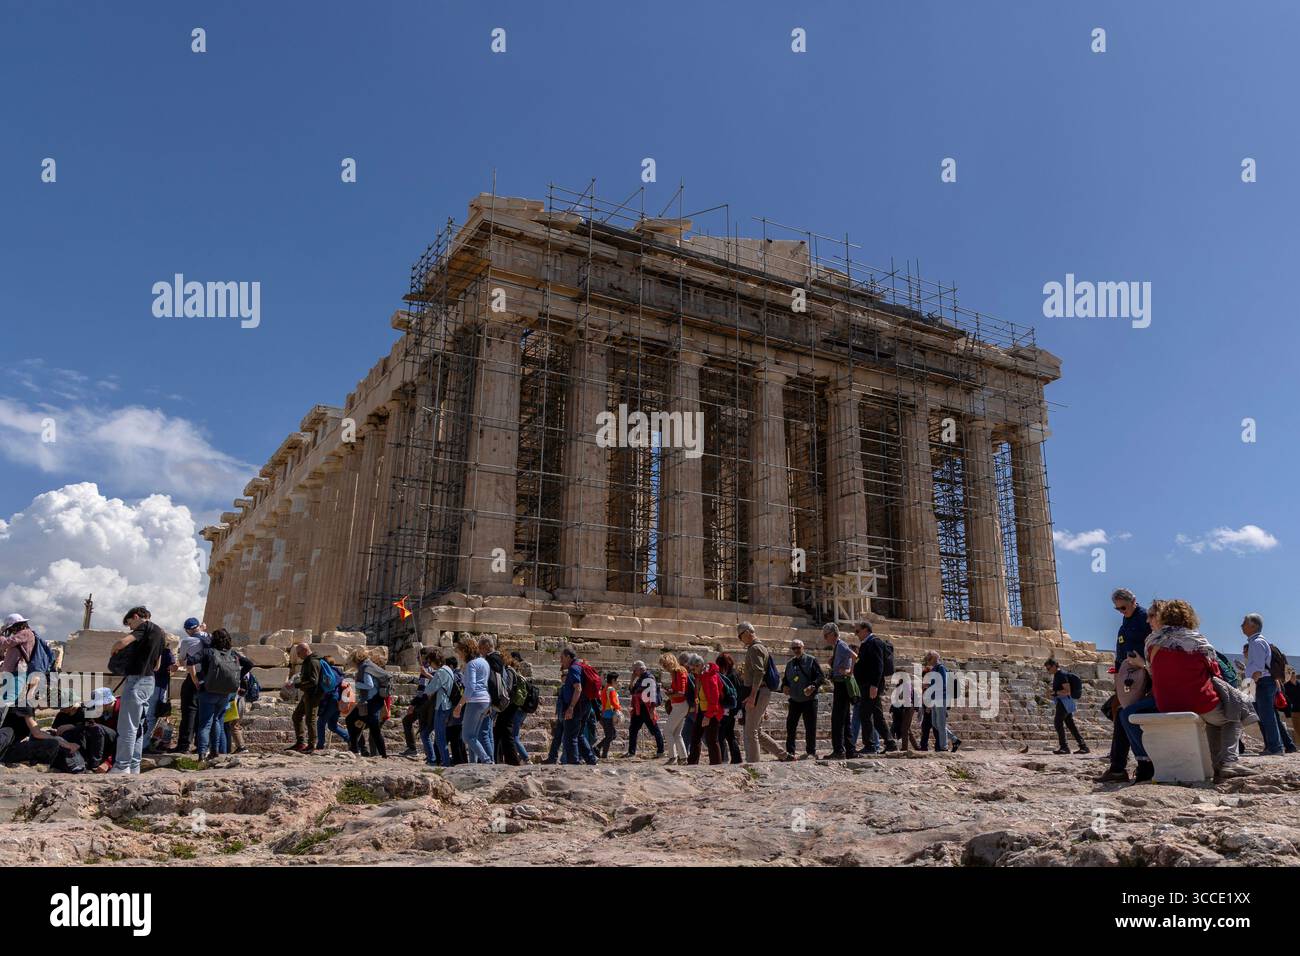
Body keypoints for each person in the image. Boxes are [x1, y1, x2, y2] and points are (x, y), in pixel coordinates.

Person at [1120, 599, 1245, 781]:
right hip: (1199, 701)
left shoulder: (1152, 642)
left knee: (1214, 718)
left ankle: (1219, 765)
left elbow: (1155, 672)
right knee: (1232, 715)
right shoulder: (1198, 641)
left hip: (1166, 703)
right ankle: (1228, 763)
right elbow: (1215, 672)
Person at [1099, 588, 1151, 782]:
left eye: (1124, 607)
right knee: (1117, 714)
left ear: (1134, 601)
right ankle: (1119, 767)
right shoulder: (1126, 622)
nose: (1122, 611)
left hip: (1144, 679)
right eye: (1118, 609)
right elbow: (1121, 652)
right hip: (1127, 678)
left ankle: (1122, 767)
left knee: (1124, 716)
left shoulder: (1146, 619)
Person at [107, 606, 166, 775]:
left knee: (127, 726)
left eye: (129, 624)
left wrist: (114, 650)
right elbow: (157, 665)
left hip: (137, 680)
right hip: (149, 681)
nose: (130, 628)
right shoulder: (161, 633)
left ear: (135, 617)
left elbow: (122, 642)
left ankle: (122, 765)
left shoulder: (145, 627)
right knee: (138, 726)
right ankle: (134, 766)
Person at [1243, 613, 1293, 756]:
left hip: (1261, 682)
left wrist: (1250, 687)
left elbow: (1258, 669)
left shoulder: (1257, 642)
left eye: (1244, 623)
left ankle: (1275, 747)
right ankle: (1274, 746)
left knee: (1266, 716)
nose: (1241, 626)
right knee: (1266, 715)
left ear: (1253, 626)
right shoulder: (1257, 641)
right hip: (1261, 682)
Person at [190, 628, 240, 761]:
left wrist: (196, 680)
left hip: (208, 691)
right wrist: (237, 678)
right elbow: (249, 664)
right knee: (217, 720)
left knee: (205, 723)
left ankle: (202, 753)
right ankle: (215, 751)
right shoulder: (232, 653)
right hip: (225, 693)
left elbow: (190, 661)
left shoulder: (207, 651)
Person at [738, 622, 785, 762]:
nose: (740, 639)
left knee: (750, 731)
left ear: (747, 632)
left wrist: (752, 696)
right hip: (760, 692)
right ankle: (784, 755)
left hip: (758, 692)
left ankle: (753, 764)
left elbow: (759, 672)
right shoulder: (759, 647)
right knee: (757, 731)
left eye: (740, 636)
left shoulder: (755, 648)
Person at [853, 621, 898, 753]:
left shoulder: (874, 643)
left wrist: (874, 685)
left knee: (865, 715)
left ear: (865, 630)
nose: (856, 634)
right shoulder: (866, 643)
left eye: (857, 631)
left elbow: (878, 666)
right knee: (876, 716)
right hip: (867, 685)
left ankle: (870, 745)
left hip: (871, 685)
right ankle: (889, 743)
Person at [780, 638, 824, 760]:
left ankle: (811, 751)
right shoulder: (790, 664)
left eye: (798, 647)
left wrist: (813, 686)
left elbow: (821, 677)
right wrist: (784, 686)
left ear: (803, 648)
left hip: (809, 700)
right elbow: (785, 680)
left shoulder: (811, 660)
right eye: (793, 648)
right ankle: (790, 752)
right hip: (795, 700)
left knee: (810, 726)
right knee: (790, 726)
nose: (796, 650)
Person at [172, 617, 210, 754]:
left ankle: (184, 745)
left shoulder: (187, 641)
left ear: (187, 630)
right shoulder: (209, 637)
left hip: (195, 676)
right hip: (209, 678)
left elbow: (183, 660)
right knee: (203, 711)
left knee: (189, 711)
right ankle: (201, 745)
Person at [451, 641, 492, 763]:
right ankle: (473, 763)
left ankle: (487, 760)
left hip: (475, 701)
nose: (459, 656)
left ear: (465, 651)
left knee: (467, 736)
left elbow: (470, 687)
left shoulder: (471, 664)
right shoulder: (484, 662)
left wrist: (459, 705)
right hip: (485, 701)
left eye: (459, 652)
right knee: (473, 736)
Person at [823, 622, 859, 758]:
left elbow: (855, 656)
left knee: (837, 719)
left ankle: (838, 750)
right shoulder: (838, 646)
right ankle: (850, 750)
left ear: (833, 634)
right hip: (841, 683)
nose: (825, 638)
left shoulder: (841, 645)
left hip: (842, 684)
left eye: (826, 635)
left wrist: (850, 671)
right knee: (845, 718)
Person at [348, 648, 391, 758]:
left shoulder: (366, 668)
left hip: (373, 702)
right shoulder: (368, 665)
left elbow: (369, 685)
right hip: (371, 701)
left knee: (374, 729)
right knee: (352, 720)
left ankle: (382, 755)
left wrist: (356, 684)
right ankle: (355, 748)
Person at [558, 646, 597, 765]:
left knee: (570, 735)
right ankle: (591, 759)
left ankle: (573, 762)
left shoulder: (574, 668)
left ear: (568, 657)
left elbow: (578, 688)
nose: (560, 661)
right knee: (579, 734)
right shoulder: (580, 666)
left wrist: (571, 707)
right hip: (585, 705)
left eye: (562, 658)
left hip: (577, 706)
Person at [1045, 658, 1089, 755]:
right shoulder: (1058, 675)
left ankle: (1064, 747)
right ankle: (1083, 746)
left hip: (1064, 703)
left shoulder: (1060, 675)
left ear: (1054, 666)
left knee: (1058, 723)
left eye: (1048, 668)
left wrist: (1054, 692)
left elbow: (1067, 691)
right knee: (1070, 725)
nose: (1048, 671)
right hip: (1065, 702)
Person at [401, 650, 439, 759]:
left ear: (424, 657)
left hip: (423, 704)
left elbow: (422, 691)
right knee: (421, 727)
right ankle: (426, 753)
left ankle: (427, 754)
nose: (417, 659)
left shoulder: (426, 670)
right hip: (427, 703)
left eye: (419, 657)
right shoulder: (432, 669)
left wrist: (413, 704)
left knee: (423, 729)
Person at [287, 643, 324, 753]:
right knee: (296, 716)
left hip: (313, 695)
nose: (298, 656)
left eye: (299, 653)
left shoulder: (313, 662)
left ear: (305, 650)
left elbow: (313, 681)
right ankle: (300, 743)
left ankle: (312, 745)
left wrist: (298, 684)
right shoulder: (308, 661)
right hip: (307, 694)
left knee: (310, 720)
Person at [142, 640, 177, 753]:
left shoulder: (150, 650)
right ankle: (144, 744)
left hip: (146, 683)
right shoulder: (167, 652)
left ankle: (141, 742)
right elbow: (173, 668)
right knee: (152, 716)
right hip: (159, 686)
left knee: (145, 714)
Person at [421, 654, 457, 766]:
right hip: (447, 705)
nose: (430, 665)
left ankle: (445, 762)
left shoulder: (441, 672)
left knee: (440, 737)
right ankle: (443, 760)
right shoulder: (448, 670)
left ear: (433, 662)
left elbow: (430, 689)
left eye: (430, 662)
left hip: (442, 705)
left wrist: (427, 691)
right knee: (440, 735)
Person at [687, 656, 724, 765]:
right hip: (702, 710)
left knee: (711, 740)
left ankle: (716, 765)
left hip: (712, 712)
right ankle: (692, 763)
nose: (692, 672)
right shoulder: (701, 676)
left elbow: (714, 698)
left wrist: (708, 716)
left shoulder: (710, 676)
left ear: (699, 665)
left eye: (693, 669)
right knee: (695, 737)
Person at [625, 660, 664, 758]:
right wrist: (632, 680)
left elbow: (653, 695)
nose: (634, 672)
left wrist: (652, 709)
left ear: (641, 669)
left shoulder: (649, 678)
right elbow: (632, 692)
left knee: (654, 729)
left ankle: (661, 751)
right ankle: (631, 752)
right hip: (638, 708)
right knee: (633, 729)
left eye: (635, 670)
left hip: (647, 708)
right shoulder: (640, 679)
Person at [1, 613, 37, 706]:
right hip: (12, 671)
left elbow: (5, 643)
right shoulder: (21, 634)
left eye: (11, 628)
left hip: (18, 670)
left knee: (10, 697)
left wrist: (1, 634)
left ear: (16, 625)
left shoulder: (26, 633)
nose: (11, 630)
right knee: (7, 697)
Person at [315, 655, 350, 751]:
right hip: (339, 700)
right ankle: (350, 738)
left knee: (321, 722)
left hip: (331, 700)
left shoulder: (328, 672)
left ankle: (320, 745)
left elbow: (327, 687)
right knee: (332, 725)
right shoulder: (338, 672)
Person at [660, 653, 690, 764]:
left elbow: (682, 692)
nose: (665, 668)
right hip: (678, 705)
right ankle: (683, 758)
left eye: (666, 665)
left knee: (667, 731)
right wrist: (671, 692)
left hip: (680, 705)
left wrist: (671, 695)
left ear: (671, 662)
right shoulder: (675, 673)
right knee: (677, 733)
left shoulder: (680, 672)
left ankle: (673, 757)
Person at [715, 654, 743, 764]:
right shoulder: (733, 675)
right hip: (732, 709)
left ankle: (721, 758)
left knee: (721, 735)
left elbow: (735, 695)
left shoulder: (731, 676)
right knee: (729, 734)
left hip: (729, 710)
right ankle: (736, 758)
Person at [508, 652, 531, 763]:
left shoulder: (514, 675)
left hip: (517, 710)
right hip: (523, 710)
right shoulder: (521, 676)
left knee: (514, 736)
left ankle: (526, 758)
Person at [597, 671, 622, 759]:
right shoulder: (611, 689)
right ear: (613, 680)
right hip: (608, 715)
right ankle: (603, 754)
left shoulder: (605, 688)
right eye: (617, 680)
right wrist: (619, 708)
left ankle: (598, 748)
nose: (618, 682)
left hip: (605, 714)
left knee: (612, 735)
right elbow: (614, 702)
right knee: (610, 736)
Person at [1285, 668, 1300, 746]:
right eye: (1291, 674)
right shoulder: (1286, 686)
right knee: (1297, 729)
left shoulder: (1299, 684)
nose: (1293, 675)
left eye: (1293, 673)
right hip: (1294, 711)